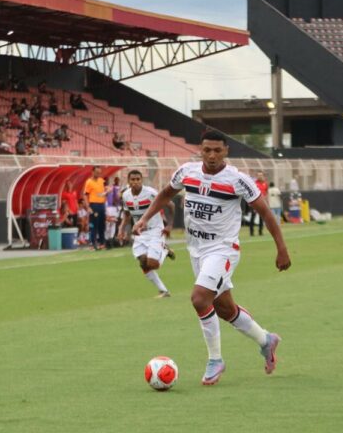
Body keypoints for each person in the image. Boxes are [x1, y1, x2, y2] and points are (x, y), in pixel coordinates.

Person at [132, 130, 291, 386]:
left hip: (223, 249)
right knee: (224, 308)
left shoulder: (239, 180)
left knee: (199, 298)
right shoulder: (187, 172)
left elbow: (266, 214)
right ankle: (266, 340)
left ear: (226, 151)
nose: (212, 155)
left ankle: (215, 360)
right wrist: (144, 218)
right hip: (196, 249)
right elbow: (164, 194)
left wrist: (281, 249)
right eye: (207, 150)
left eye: (218, 150)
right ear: (200, 150)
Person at [117, 170, 177, 298]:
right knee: (143, 263)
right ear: (128, 181)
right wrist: (121, 229)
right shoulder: (126, 195)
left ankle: (165, 251)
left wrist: (170, 225)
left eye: (138, 179)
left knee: (152, 264)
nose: (135, 182)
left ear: (141, 180)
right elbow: (127, 215)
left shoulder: (151, 193)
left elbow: (171, 205)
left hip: (155, 230)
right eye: (132, 180)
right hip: (140, 233)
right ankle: (163, 291)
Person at [84, 166, 107, 250]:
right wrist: (88, 207)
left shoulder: (101, 181)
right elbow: (85, 195)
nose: (98, 174)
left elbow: (105, 190)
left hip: (102, 205)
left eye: (99, 172)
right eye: (97, 172)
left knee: (102, 225)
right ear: (92, 172)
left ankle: (102, 243)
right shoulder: (89, 182)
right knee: (93, 225)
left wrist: (107, 191)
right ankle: (92, 244)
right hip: (94, 205)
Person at [249, 171, 269, 236]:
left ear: (263, 176)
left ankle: (260, 232)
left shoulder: (265, 184)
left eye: (261, 175)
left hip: (263, 203)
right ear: (256, 176)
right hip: (255, 203)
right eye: (258, 175)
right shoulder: (254, 183)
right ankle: (251, 232)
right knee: (253, 217)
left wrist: (267, 202)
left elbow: (266, 193)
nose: (260, 176)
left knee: (261, 218)